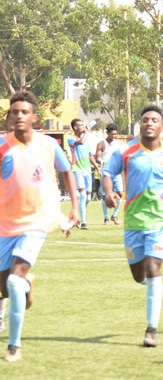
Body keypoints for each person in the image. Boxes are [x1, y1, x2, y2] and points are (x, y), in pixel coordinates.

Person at [0, 90, 80, 362]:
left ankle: (14, 345)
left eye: (24, 112)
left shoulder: (48, 145)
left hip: (38, 220)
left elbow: (67, 170)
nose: (19, 116)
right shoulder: (2, 148)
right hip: (5, 225)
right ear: (9, 117)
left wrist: (75, 207)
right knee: (6, 287)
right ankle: (26, 285)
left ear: (35, 118)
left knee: (12, 279)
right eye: (14, 112)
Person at [103, 105, 163, 348]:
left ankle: (151, 329)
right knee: (138, 274)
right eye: (145, 120)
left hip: (160, 221)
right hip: (132, 222)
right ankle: (150, 284)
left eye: (154, 119)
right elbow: (107, 172)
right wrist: (108, 192)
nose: (149, 123)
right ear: (139, 125)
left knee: (154, 268)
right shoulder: (126, 151)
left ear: (162, 126)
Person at [67, 118, 100, 229]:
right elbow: (80, 142)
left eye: (83, 125)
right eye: (81, 125)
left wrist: (98, 169)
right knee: (82, 195)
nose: (83, 126)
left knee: (88, 198)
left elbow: (90, 156)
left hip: (87, 171)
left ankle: (77, 217)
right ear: (75, 127)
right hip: (77, 169)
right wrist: (87, 131)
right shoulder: (71, 139)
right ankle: (83, 222)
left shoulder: (87, 142)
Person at [95, 123, 123, 225]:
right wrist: (102, 162)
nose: (114, 136)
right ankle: (106, 217)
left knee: (120, 193)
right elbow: (97, 157)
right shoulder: (101, 144)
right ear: (107, 133)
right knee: (105, 195)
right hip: (105, 172)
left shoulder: (118, 144)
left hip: (116, 172)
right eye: (112, 134)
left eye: (115, 134)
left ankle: (114, 215)